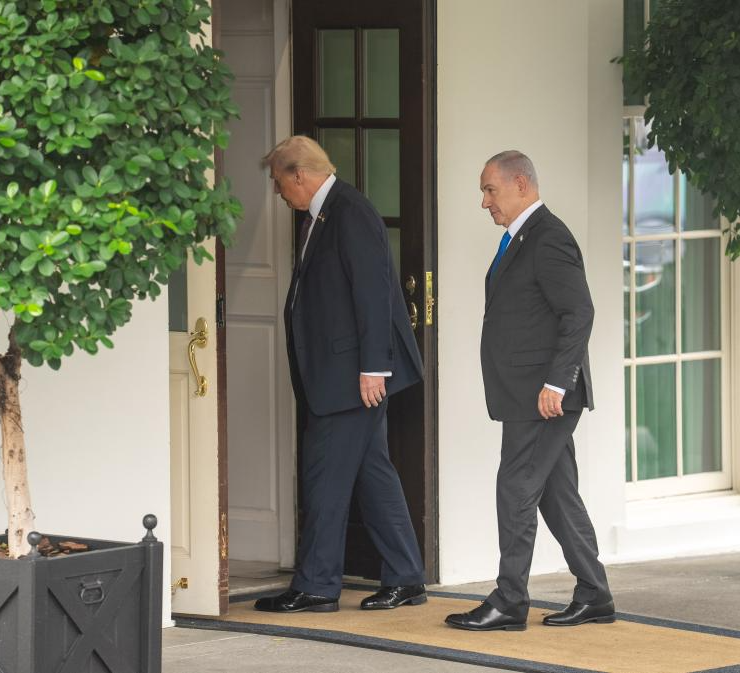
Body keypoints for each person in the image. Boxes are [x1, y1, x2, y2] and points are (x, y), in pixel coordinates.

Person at [254, 135, 427, 613]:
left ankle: (317, 585)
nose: (278, 192)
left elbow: (373, 292)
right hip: (342, 373)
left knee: (324, 477)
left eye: (279, 182)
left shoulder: (350, 212)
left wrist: (374, 368)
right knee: (373, 475)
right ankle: (406, 577)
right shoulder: (325, 213)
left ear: (299, 175)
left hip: (351, 377)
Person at [445, 151, 613, 631]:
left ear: (520, 184)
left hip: (543, 396)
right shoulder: (521, 237)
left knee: (516, 487)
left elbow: (579, 312)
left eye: (490, 190)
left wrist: (557, 382)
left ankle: (510, 601)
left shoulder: (548, 237)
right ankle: (595, 595)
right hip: (528, 393)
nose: (484, 202)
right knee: (557, 494)